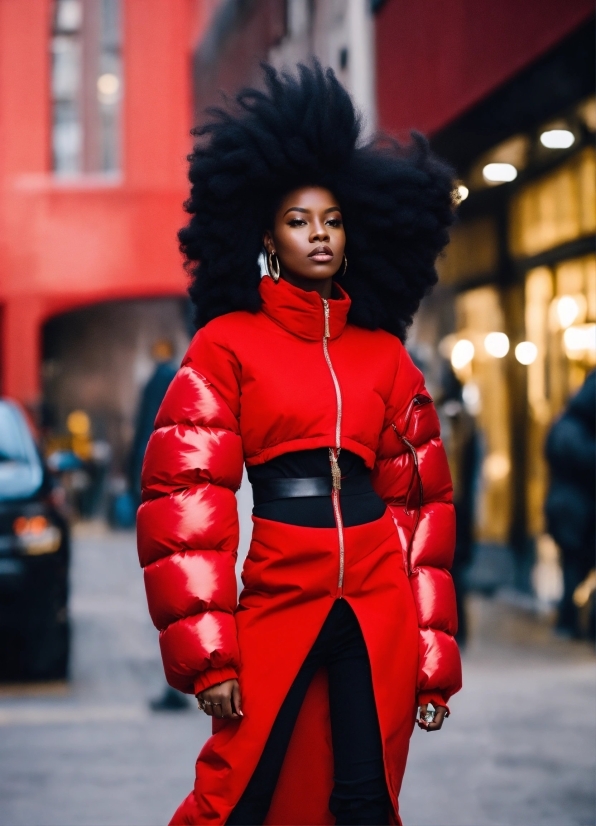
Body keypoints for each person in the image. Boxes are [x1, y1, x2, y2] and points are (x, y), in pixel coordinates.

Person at [137, 64, 462, 825]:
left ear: (354, 235)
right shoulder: (227, 346)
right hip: (281, 588)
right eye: (298, 220)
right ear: (267, 237)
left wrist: (433, 662)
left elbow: (423, 507)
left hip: (378, 596)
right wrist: (209, 653)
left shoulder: (385, 355)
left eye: (333, 220)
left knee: (364, 797)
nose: (319, 233)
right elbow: (184, 501)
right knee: (237, 796)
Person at [545, 370, 595, 638]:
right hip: (573, 510)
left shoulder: (567, 424)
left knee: (573, 568)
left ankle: (570, 620)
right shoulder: (573, 429)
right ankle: (569, 620)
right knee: (574, 567)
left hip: (571, 508)